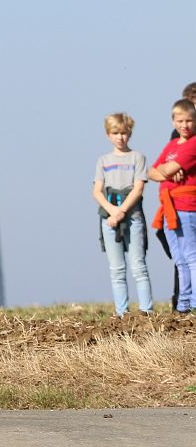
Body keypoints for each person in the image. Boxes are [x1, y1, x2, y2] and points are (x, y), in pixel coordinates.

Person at [93, 113, 152, 316]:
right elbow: (97, 191)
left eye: (124, 133)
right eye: (115, 133)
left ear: (130, 133)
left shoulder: (137, 157)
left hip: (132, 216)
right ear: (108, 135)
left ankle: (146, 310)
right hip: (109, 218)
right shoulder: (103, 160)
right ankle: (121, 313)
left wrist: (121, 212)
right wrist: (112, 211)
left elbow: (138, 189)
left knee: (138, 266)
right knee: (117, 269)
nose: (120, 137)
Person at [149, 99, 196, 313]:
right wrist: (164, 172)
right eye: (180, 121)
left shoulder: (193, 143)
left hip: (186, 207)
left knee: (191, 255)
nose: (185, 125)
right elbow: (151, 171)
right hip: (170, 208)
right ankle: (183, 303)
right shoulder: (171, 145)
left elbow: (165, 170)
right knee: (179, 258)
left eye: (189, 120)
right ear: (173, 121)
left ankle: (194, 302)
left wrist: (164, 171)